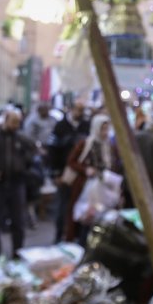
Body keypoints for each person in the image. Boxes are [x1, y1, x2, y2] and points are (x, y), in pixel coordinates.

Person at [0, 110, 38, 259]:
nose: (16, 125)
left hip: (17, 184)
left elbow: (34, 150)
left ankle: (18, 254)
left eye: (18, 122)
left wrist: (24, 165)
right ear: (5, 120)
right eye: (13, 122)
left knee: (19, 223)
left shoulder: (21, 138)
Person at [64, 115, 114, 242]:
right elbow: (71, 160)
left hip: (103, 187)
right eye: (102, 129)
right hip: (85, 186)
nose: (105, 133)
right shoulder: (86, 143)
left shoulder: (109, 145)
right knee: (82, 214)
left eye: (107, 129)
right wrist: (85, 170)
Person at [49, 102, 89, 242]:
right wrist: (55, 174)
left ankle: (72, 237)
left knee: (77, 206)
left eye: (83, 110)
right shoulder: (61, 126)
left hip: (81, 176)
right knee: (62, 207)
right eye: (78, 110)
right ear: (72, 109)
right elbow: (52, 151)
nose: (81, 113)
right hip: (65, 174)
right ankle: (59, 236)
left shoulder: (86, 126)